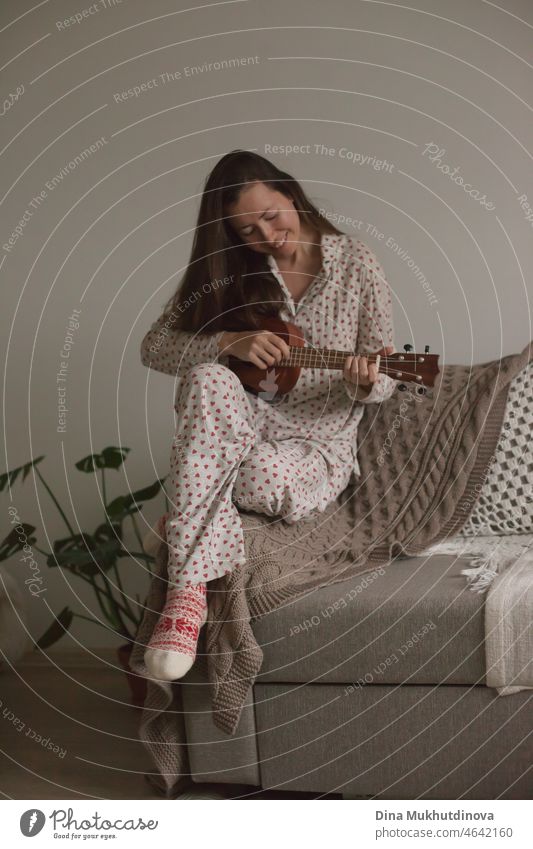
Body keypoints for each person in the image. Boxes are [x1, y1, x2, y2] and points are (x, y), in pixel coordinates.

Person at [140, 149, 396, 681]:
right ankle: (187, 599)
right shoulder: (230, 272)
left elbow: (387, 369)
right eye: (247, 229)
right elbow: (154, 347)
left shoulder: (355, 263)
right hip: (235, 427)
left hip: (311, 445)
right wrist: (225, 341)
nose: (266, 235)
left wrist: (365, 382)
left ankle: (184, 517)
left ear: (292, 195)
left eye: (271, 215)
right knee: (209, 376)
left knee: (259, 473)